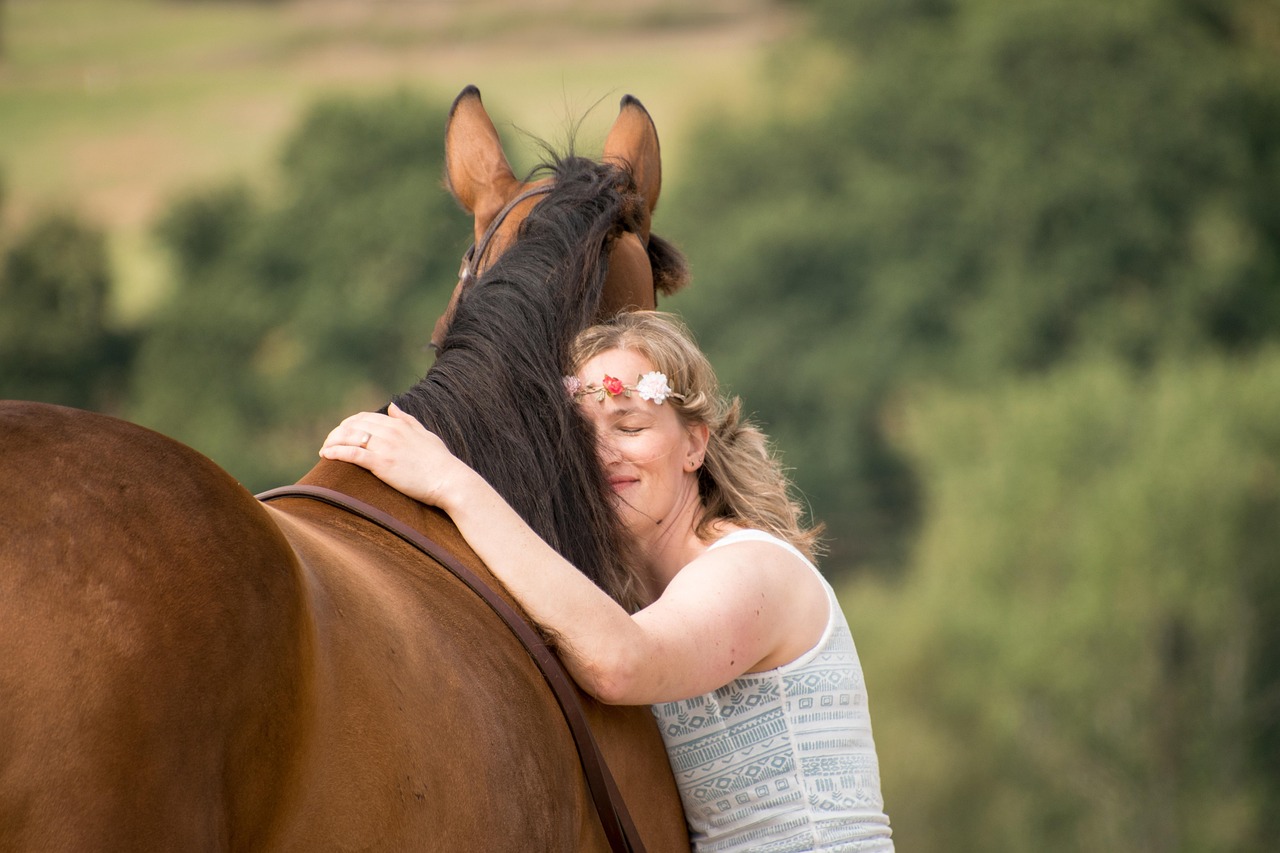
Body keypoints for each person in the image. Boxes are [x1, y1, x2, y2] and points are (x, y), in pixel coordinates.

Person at [320, 311, 894, 852]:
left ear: (694, 444)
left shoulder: (752, 569)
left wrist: (452, 483)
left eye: (631, 425)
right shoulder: (626, 600)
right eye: (582, 435)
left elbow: (621, 663)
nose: (603, 455)